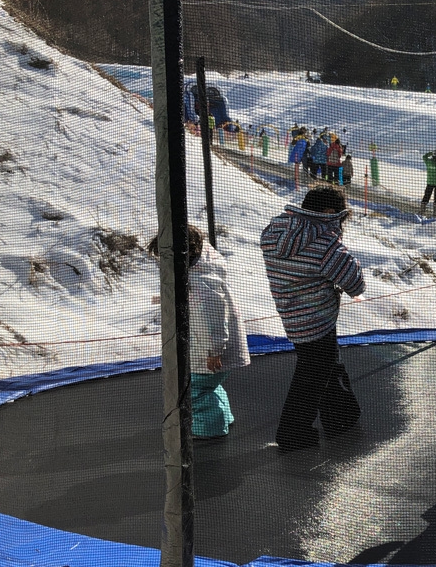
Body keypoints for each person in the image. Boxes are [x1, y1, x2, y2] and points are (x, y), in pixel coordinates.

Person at [260, 186, 366, 449]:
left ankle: (342, 416)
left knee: (325, 365)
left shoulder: (276, 228)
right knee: (312, 376)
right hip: (317, 321)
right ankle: (292, 433)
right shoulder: (325, 244)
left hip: (291, 315)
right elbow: (355, 283)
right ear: (329, 212)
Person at [148, 225, 250, 440]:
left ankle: (208, 430)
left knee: (196, 392)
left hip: (207, 351)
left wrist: (214, 351)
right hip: (208, 347)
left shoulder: (200, 284)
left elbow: (211, 320)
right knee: (208, 386)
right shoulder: (204, 264)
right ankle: (223, 416)